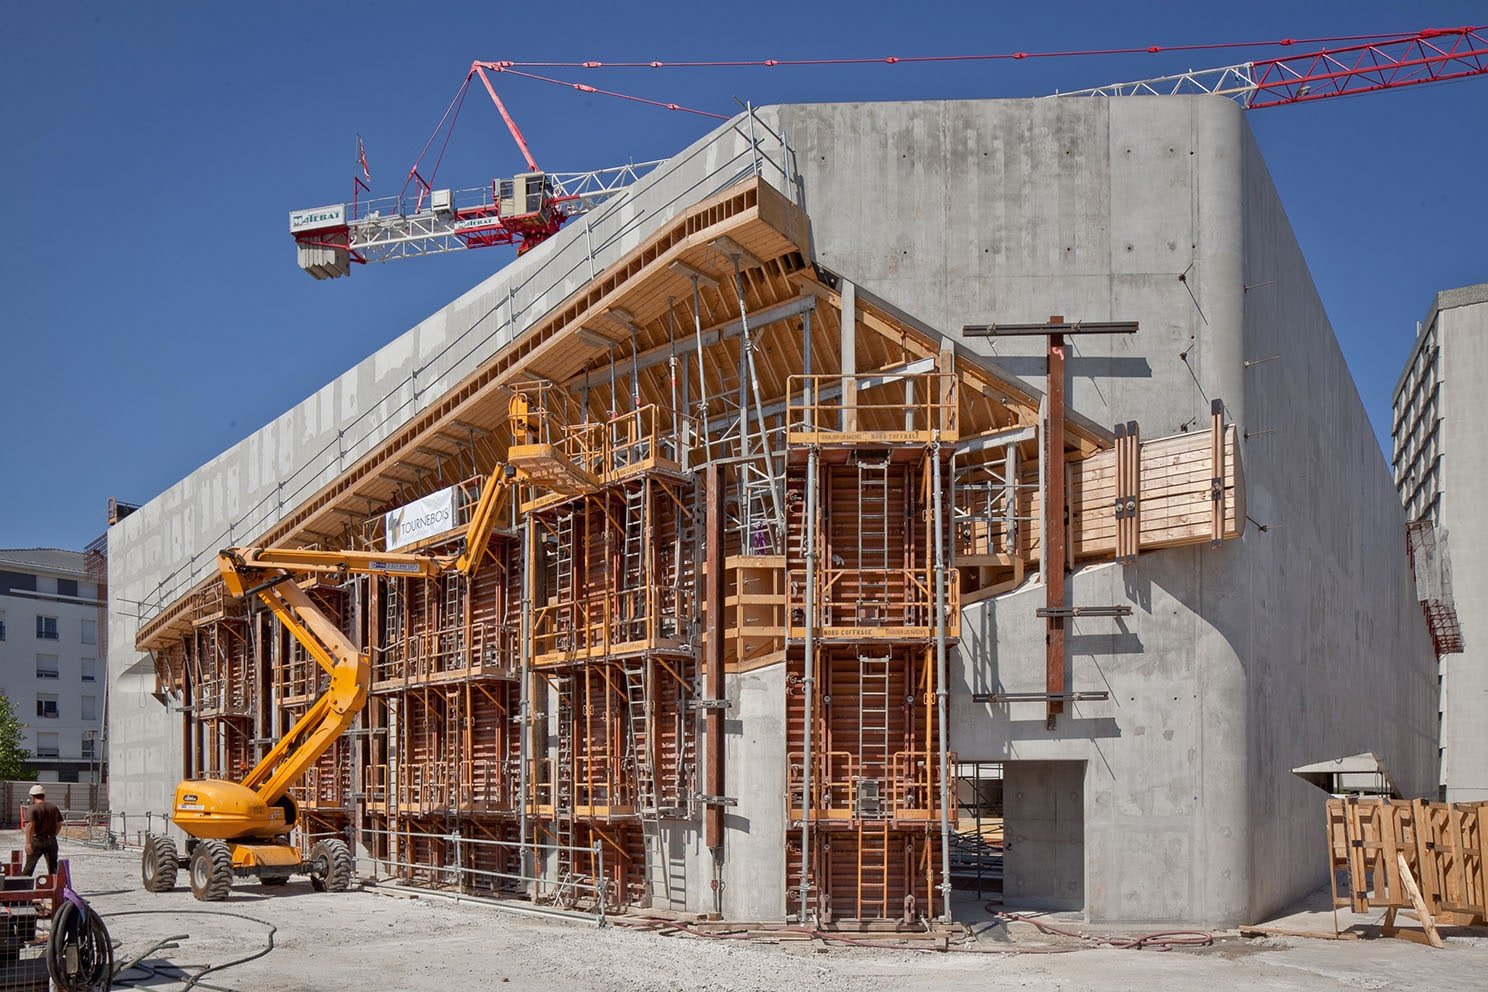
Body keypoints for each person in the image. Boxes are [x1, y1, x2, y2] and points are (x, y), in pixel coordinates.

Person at [23, 784, 61, 877]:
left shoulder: (32, 808)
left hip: (37, 840)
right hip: (51, 840)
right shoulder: (53, 807)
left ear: (33, 797)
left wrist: (28, 843)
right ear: (43, 795)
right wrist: (54, 835)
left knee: (29, 867)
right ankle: (54, 885)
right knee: (53, 868)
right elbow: (59, 824)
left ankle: (23, 884)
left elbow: (30, 825)